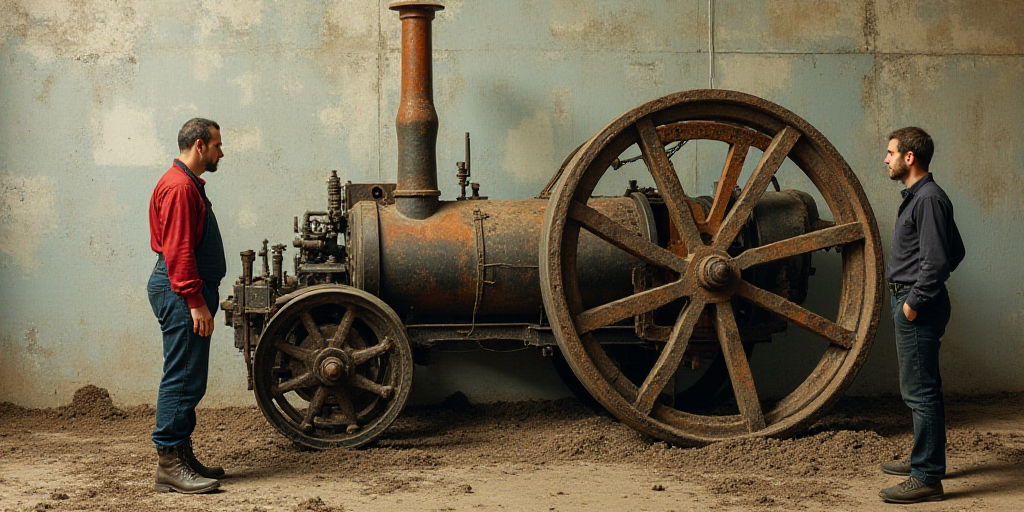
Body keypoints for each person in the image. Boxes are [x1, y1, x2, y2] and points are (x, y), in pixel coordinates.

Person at [877, 127, 965, 504]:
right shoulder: (923, 197)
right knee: (923, 387)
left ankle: (927, 476)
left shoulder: (927, 199)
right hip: (915, 302)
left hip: (917, 307)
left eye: (891, 152)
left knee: (920, 391)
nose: (886, 158)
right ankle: (924, 460)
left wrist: (912, 301)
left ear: (909, 158)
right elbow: (955, 251)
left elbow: (940, 259)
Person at [147, 118, 227, 494]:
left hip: (184, 289)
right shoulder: (180, 188)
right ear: (199, 145)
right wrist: (196, 302)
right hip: (182, 292)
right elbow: (178, 251)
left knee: (189, 378)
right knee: (181, 378)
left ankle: (182, 455)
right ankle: (169, 465)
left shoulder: (186, 183)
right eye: (216, 145)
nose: (220, 152)